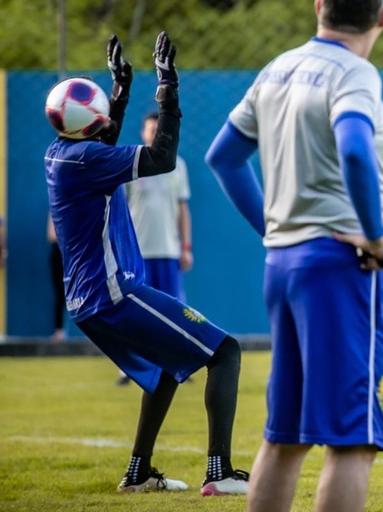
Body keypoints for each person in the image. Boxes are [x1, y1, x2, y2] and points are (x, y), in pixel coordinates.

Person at [206, 0, 383, 512]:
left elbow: (223, 158)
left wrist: (272, 229)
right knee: (353, 439)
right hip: (342, 268)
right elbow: (357, 153)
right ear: (382, 17)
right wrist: (376, 238)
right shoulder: (356, 72)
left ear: (319, 5)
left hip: (284, 266)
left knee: (285, 435)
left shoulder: (278, 68)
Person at [44, 32, 249, 496]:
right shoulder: (85, 159)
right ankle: (219, 471)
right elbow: (162, 158)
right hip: (113, 292)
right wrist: (167, 88)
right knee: (225, 352)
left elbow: (103, 139)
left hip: (92, 298)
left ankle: (137, 473)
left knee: (161, 371)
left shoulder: (63, 153)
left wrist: (119, 93)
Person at [125, 111, 193, 300]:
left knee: (173, 308)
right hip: (139, 252)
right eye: (152, 130)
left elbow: (182, 209)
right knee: (143, 309)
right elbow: (121, 210)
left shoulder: (178, 165)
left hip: (169, 250)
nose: (156, 135)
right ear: (143, 133)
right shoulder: (132, 165)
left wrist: (186, 248)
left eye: (159, 131)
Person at [47, 214, 66, 342]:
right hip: (58, 255)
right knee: (60, 295)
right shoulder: (54, 210)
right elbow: (51, 235)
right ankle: (59, 331)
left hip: (72, 254)